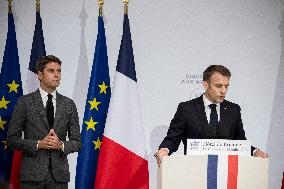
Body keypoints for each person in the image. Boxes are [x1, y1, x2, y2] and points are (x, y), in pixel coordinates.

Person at [155, 65, 268, 166]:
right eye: (219, 86)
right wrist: (165, 149)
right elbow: (173, 138)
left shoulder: (234, 110)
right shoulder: (186, 109)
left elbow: (240, 141)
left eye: (226, 86)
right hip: (194, 171)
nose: (223, 91)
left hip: (226, 174)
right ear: (206, 84)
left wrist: (254, 151)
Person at [7, 55, 81, 189]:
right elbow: (11, 140)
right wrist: (38, 144)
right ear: (40, 75)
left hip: (59, 178)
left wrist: (60, 145)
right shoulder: (24, 102)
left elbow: (77, 142)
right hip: (31, 177)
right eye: (51, 71)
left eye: (59, 71)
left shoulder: (69, 104)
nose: (56, 75)